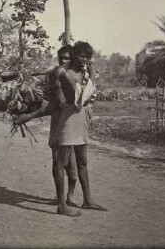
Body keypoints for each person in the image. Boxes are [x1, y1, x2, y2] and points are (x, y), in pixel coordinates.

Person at [14, 45, 79, 207]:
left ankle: (69, 196)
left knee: (72, 160)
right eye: (61, 57)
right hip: (58, 121)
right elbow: (49, 103)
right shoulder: (52, 76)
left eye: (67, 58)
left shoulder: (76, 75)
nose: (63, 60)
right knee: (58, 159)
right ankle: (61, 198)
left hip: (72, 120)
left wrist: (28, 117)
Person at [55, 41, 107, 216]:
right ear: (75, 55)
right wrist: (92, 75)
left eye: (87, 57)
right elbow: (81, 98)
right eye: (81, 56)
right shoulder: (66, 74)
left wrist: (89, 74)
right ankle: (61, 205)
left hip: (81, 118)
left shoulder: (81, 71)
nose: (85, 59)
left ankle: (88, 200)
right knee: (61, 163)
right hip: (70, 118)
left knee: (82, 161)